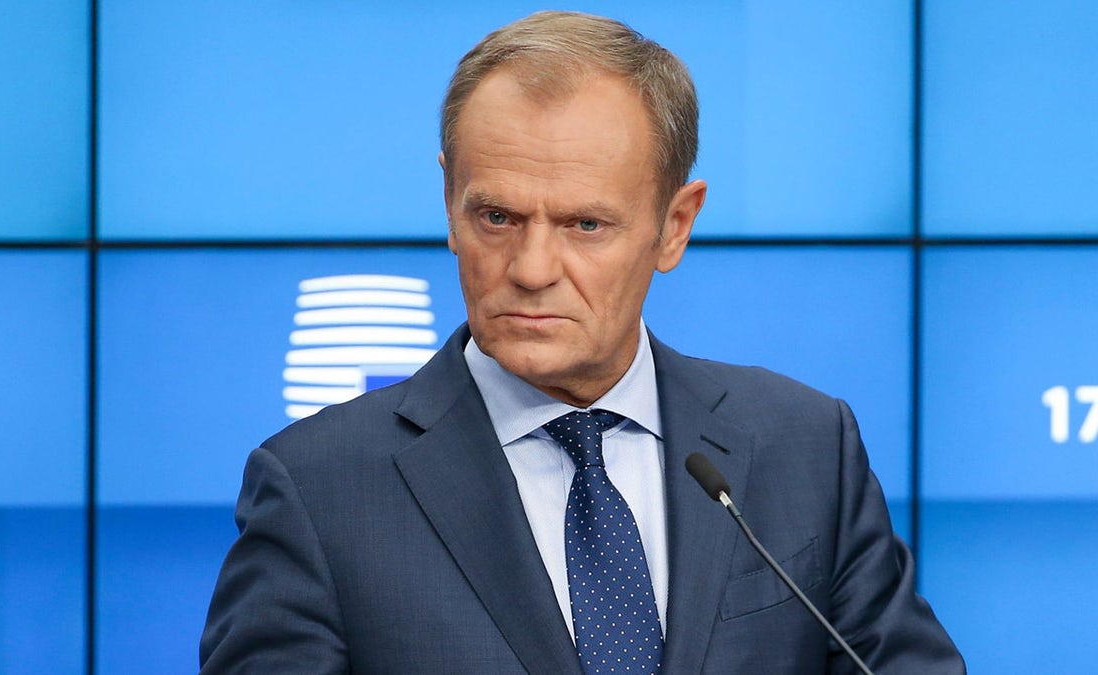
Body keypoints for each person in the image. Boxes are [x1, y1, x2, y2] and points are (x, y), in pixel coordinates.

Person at [200, 10, 964, 674]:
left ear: (674, 226)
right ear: (448, 201)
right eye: (496, 217)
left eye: (584, 225)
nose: (532, 270)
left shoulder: (804, 448)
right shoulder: (319, 490)